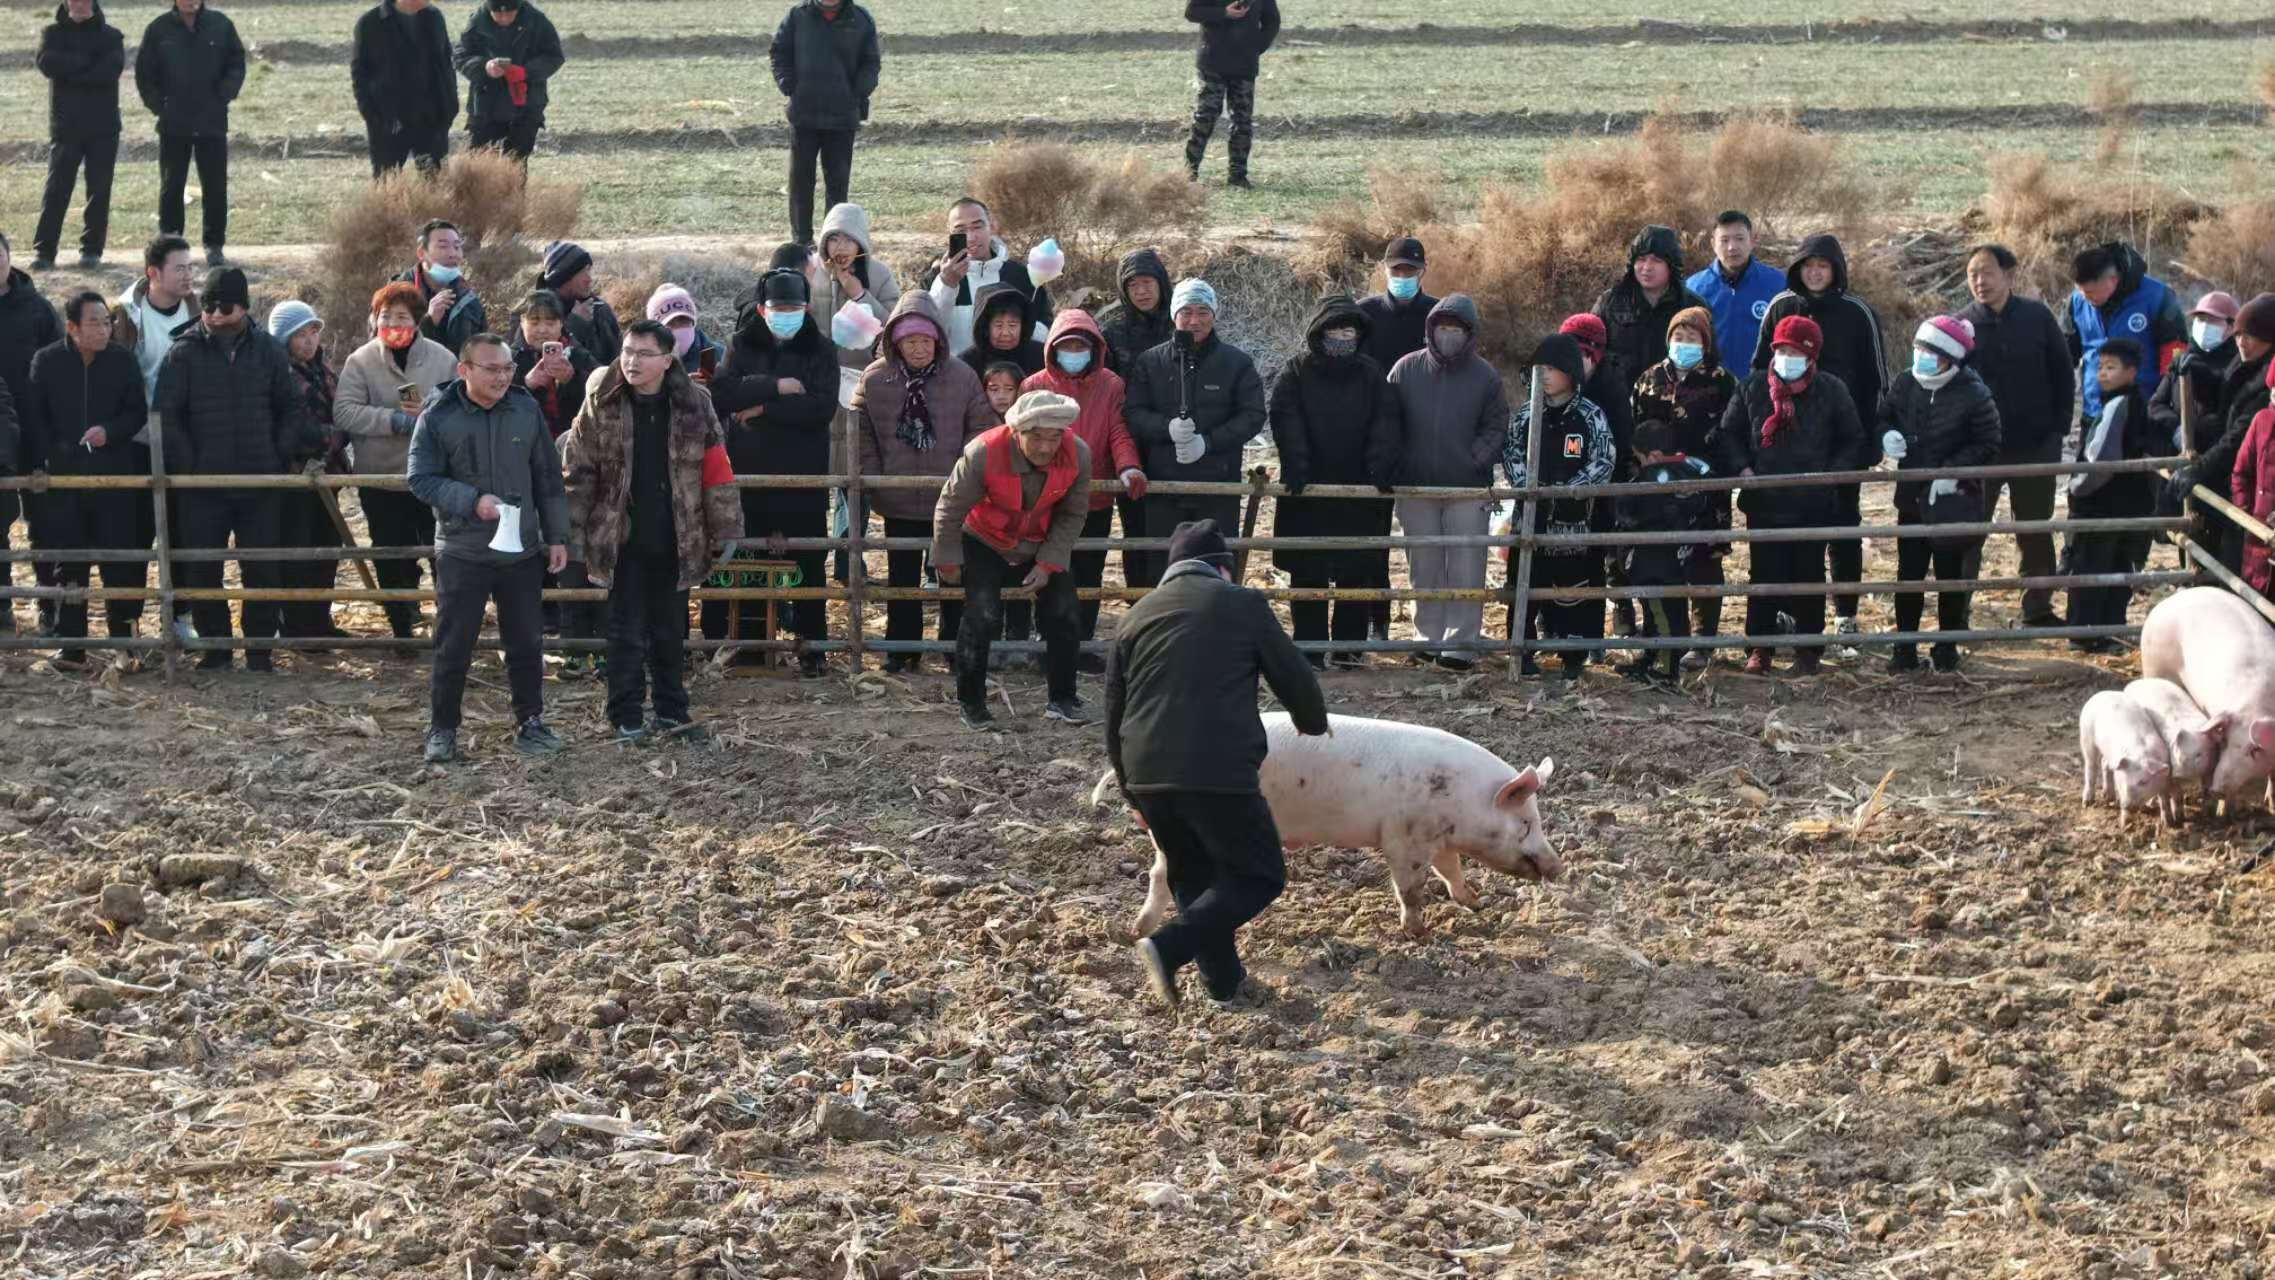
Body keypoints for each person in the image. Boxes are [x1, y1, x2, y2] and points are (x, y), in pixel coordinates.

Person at [1109, 517, 1327, 1009]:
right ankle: (1168, 947)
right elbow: (1293, 676)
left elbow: (1113, 713)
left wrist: (1131, 790)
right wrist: (1312, 723)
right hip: (1216, 765)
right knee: (1259, 874)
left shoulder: (1135, 615)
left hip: (1145, 769)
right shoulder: (1243, 603)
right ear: (1223, 569)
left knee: (1194, 878)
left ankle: (1222, 985)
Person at [561, 319, 743, 740]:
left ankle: (671, 711)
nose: (632, 362)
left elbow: (716, 468)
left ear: (666, 360)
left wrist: (726, 527)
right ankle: (625, 714)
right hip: (619, 534)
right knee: (624, 630)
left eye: (644, 354)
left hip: (678, 533)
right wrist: (571, 531)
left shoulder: (694, 402)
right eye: (627, 351)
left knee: (670, 630)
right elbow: (578, 469)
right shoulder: (601, 399)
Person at [408, 332, 568, 760]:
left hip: (521, 549)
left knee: (526, 640)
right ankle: (443, 729)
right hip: (463, 548)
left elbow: (547, 477)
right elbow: (420, 478)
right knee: (454, 642)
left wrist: (557, 535)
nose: (502, 377)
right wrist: (471, 501)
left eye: (508, 368)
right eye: (491, 369)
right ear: (464, 370)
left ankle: (530, 721)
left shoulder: (525, 409)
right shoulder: (438, 415)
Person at [155, 267, 308, 671]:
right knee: (202, 569)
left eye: (224, 306)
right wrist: (190, 467)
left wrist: (277, 455)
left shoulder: (269, 351)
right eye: (207, 306)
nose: (214, 314)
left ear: (244, 307)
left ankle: (259, 650)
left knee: (262, 569)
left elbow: (291, 408)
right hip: (202, 486)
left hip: (260, 482)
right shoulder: (182, 353)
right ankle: (217, 648)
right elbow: (167, 416)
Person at [1751, 233, 1886, 645]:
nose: (1814, 273)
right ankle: (1788, 612)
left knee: (1843, 528)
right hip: (1788, 441)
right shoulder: (1781, 306)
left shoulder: (1858, 312)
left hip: (1843, 440)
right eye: (1808, 265)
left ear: (1836, 270)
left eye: (1822, 266)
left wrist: (1870, 440)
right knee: (1790, 530)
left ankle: (1846, 613)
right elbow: (1758, 374)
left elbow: (1877, 380)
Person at [1717, 314, 1868, 676]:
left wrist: (1831, 476)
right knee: (1763, 576)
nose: (1787, 358)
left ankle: (1808, 649)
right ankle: (1760, 647)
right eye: (1782, 350)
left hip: (1812, 503)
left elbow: (1852, 439)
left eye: (1796, 352)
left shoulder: (1831, 390)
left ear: (1811, 356)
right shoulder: (1752, 388)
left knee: (1809, 575)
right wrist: (1743, 468)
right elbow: (1728, 433)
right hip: (1764, 501)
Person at [932, 390, 1093, 729]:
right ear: (1017, 432)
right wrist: (947, 559)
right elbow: (950, 506)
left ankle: (1063, 698)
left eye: (1054, 437)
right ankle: (971, 702)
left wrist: (1048, 562)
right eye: (1036, 437)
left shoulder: (1078, 453)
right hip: (984, 538)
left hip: (1039, 542)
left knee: (1064, 611)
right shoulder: (984, 451)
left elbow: (1073, 513)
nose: (1046, 447)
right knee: (983, 613)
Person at [704, 267, 838, 675]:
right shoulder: (741, 343)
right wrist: (777, 386)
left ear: (806, 308)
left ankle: (812, 648)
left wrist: (762, 407)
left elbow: (821, 407)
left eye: (794, 308)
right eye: (779, 309)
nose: (787, 315)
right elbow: (723, 393)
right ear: (763, 310)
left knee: (809, 563)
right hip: (752, 473)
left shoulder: (821, 348)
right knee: (751, 559)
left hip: (803, 475)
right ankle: (751, 645)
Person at [854, 292, 996, 672]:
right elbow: (860, 429)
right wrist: (875, 475)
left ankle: (954, 648)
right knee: (901, 576)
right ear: (896, 343)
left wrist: (965, 477)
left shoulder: (962, 377)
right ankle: (901, 649)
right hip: (896, 496)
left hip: (951, 498)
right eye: (910, 342)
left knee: (952, 574)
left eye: (925, 341)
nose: (919, 349)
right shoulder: (876, 378)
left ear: (938, 340)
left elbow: (980, 429)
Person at [1268, 293, 1398, 668]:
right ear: (1319, 331)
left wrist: (1378, 466)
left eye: (1349, 331)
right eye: (1336, 330)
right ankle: (1308, 649)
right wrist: (1297, 464)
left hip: (1357, 490)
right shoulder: (1296, 371)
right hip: (1307, 489)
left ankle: (1348, 650)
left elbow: (1386, 421)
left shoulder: (1372, 374)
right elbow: (1285, 416)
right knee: (1307, 572)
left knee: (1355, 572)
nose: (1343, 337)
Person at [1956, 243, 2077, 630]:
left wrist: (2057, 429)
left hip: (2035, 445)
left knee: (2034, 529)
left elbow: (2063, 375)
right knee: (1968, 532)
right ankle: (1956, 612)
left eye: (1988, 272)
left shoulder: (2037, 318)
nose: (1980, 281)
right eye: (1973, 274)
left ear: (2009, 276)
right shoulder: (1961, 326)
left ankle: (2037, 610)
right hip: (1979, 451)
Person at [22, 289, 143, 667]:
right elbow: (35, 418)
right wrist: (56, 453)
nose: (104, 330)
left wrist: (110, 431)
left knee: (119, 563)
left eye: (108, 322)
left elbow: (136, 412)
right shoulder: (46, 362)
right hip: (66, 483)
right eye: (94, 323)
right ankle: (72, 644)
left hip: (114, 480)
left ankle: (125, 644)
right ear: (72, 327)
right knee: (69, 564)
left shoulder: (123, 361)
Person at [1122, 278, 1267, 588]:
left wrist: (1209, 442)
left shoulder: (1236, 363)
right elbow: (1133, 412)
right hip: (1163, 486)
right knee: (1162, 567)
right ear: (1174, 315)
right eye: (1186, 312)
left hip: (1217, 486)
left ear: (1214, 315)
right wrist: (1165, 428)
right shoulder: (1151, 361)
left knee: (1215, 567)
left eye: (1203, 312)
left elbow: (1253, 415)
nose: (1194, 321)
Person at [1021, 308, 1145, 670]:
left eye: (1081, 346)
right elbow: (1023, 437)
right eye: (1067, 346)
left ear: (1095, 349)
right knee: (1051, 568)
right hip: (1048, 496)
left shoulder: (1111, 385)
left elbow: (1118, 431)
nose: (1074, 352)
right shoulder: (1034, 385)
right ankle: (1047, 644)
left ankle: (1082, 644)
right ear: (1053, 348)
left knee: (1089, 571)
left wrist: (1128, 466)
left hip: (1095, 496)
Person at [1386, 294, 1505, 665]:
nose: (1448, 334)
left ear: (1470, 333)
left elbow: (1496, 426)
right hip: (1416, 486)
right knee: (1424, 565)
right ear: (1430, 329)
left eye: (1456, 328)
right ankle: (1427, 638)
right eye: (1443, 327)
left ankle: (1461, 644)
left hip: (1467, 488)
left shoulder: (1485, 376)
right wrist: (1398, 462)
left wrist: (1474, 460)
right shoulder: (1405, 369)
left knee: (1467, 566)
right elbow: (1387, 421)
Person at [1879, 315, 2002, 673]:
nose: (1921, 356)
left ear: (1951, 358)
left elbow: (1989, 441)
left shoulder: (1973, 392)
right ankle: (1904, 648)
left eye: (1931, 351)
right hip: (1912, 495)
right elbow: (1884, 416)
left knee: (1950, 574)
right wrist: (1887, 436)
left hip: (1954, 499)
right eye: (1918, 348)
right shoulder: (1905, 383)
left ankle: (1947, 646)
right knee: (1909, 574)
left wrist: (1951, 471)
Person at [335, 281, 457, 641]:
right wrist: (393, 420)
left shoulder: (442, 359)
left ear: (417, 321)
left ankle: (449, 623)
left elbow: (460, 406)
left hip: (433, 476)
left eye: (401, 317)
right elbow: (345, 411)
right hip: (381, 476)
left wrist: (428, 416)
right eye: (385, 316)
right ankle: (401, 625)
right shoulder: (360, 361)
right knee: (390, 552)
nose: (392, 324)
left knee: (441, 551)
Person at [1631, 305, 1739, 665]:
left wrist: (1719, 470)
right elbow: (1635, 426)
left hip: (1706, 486)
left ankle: (1704, 641)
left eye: (1692, 338)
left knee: (1705, 560)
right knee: (1660, 560)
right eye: (1679, 336)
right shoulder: (1649, 378)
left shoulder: (1722, 381)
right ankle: (1664, 638)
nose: (1684, 343)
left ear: (1705, 343)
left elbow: (1732, 430)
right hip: (1658, 486)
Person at [1505, 334, 1615, 679]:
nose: (1546, 375)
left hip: (1573, 522)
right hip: (1530, 518)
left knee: (1573, 588)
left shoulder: (1590, 415)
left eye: (1552, 368)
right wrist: (1528, 487)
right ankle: (1521, 651)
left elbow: (1604, 459)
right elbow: (1511, 454)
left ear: (1571, 372)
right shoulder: (1525, 416)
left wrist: (1570, 491)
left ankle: (1573, 655)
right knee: (1524, 583)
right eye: (1539, 368)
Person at [507, 288, 599, 661]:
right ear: (522, 324)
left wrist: (571, 379)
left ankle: (568, 614)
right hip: (522, 460)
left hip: (571, 462)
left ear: (562, 325)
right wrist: (526, 385)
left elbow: (600, 396)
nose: (542, 329)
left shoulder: (581, 355)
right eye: (534, 321)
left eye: (550, 321)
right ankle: (539, 611)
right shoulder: (508, 359)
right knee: (529, 535)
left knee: (565, 533)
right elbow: (496, 402)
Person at [1354, 235, 1436, 642]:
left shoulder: (1436, 315)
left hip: (1422, 433)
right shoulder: (1364, 314)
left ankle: (1432, 625)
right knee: (1372, 532)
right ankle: (1377, 617)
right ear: (1384, 270)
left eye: (1410, 270)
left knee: (1425, 533)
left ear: (1423, 271)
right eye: (1397, 269)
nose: (1403, 276)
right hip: (1372, 435)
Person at [2168, 293, 2275, 574]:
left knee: (2235, 566)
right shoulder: (2242, 363)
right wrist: (2197, 372)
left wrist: (2200, 468)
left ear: (2269, 338)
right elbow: (2223, 398)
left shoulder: (2268, 383)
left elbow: (2238, 435)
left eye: (2250, 336)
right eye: (2238, 335)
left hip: (2252, 488)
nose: (2241, 342)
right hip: (2230, 478)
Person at [269, 300, 352, 647]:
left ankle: (319, 621)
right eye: (300, 335)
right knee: (297, 551)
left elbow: (344, 412)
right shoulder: (276, 374)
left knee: (327, 548)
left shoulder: (324, 369)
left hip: (328, 473)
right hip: (293, 477)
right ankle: (296, 626)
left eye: (313, 332)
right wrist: (326, 438)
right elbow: (287, 427)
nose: (309, 341)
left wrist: (338, 436)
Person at [134, 0, 242, 267]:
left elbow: (236, 64)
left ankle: (214, 245)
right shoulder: (158, 29)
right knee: (171, 186)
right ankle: (170, 245)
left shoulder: (221, 26)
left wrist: (222, 96)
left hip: (212, 122)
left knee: (215, 186)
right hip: (174, 124)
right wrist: (160, 106)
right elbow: (144, 73)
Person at [2063, 337, 2154, 648]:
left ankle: (2086, 633)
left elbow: (2101, 459)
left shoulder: (2118, 405)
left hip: (2101, 503)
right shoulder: (2130, 402)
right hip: (2125, 502)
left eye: (2111, 367)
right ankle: (2103, 631)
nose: (2102, 373)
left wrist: (2077, 487)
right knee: (2114, 567)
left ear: (2131, 372)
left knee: (2092, 567)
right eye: (2100, 367)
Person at [1615, 419, 1720, 684]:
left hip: (1653, 559)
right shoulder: (1694, 469)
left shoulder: (1651, 478)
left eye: (1641, 458)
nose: (1640, 464)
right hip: (1679, 555)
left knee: (1660, 613)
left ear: (1653, 455)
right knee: (1667, 610)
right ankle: (1654, 656)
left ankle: (1665, 668)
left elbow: (1629, 511)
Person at [769, 0, 881, 248]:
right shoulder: (797, 16)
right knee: (801, 182)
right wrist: (789, 85)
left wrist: (857, 93)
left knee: (837, 185)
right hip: (804, 115)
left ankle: (832, 239)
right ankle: (802, 240)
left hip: (843, 116)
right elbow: (779, 53)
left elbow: (871, 63)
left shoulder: (859, 19)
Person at [0, 237, 64, 637]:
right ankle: (2, 604)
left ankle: (49, 604)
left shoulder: (37, 309)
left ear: (9, 257)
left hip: (37, 430)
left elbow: (59, 366)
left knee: (45, 522)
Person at [33, 0, 124, 272]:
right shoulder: (52, 34)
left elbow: (110, 71)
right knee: (56, 190)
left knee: (99, 191)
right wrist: (85, 61)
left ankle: (91, 251)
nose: (79, 3)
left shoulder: (111, 36)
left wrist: (69, 69)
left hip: (103, 128)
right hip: (66, 128)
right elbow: (46, 63)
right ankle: (45, 251)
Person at [2063, 242, 2186, 423]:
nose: (2085, 298)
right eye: (2080, 292)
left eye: (2089, 293)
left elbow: (2175, 350)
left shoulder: (2157, 296)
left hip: (2144, 412)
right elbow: (2066, 351)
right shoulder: (2076, 302)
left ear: (2112, 281)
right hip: (2094, 412)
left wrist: (2166, 400)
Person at [922, 198, 1052, 357]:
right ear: (949, 231)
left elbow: (1045, 330)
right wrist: (947, 284)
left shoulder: (1022, 276)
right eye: (960, 230)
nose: (971, 237)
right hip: (956, 369)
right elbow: (925, 330)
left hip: (1011, 370)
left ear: (991, 225)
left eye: (977, 227)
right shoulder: (936, 279)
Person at [1593, 224, 1711, 398]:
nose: (1647, 267)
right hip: (1617, 400)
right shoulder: (1610, 302)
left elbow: (1709, 357)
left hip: (1674, 402)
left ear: (1671, 265)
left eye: (1656, 260)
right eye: (1641, 259)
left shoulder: (1691, 305)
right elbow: (1589, 351)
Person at [351, 0, 456, 177]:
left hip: (430, 118)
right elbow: (359, 75)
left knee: (437, 182)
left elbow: (445, 64)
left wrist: (449, 108)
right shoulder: (370, 23)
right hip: (389, 120)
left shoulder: (434, 18)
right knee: (387, 182)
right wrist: (373, 116)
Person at [1182, 0, 1279, 188]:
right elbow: (1192, 12)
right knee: (1206, 116)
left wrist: (1256, 47)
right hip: (1212, 60)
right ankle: (1188, 173)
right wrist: (1224, 13)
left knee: (1242, 120)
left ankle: (1238, 176)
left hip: (1244, 63)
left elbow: (1272, 20)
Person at [453, 0, 563, 161]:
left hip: (526, 105)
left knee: (516, 164)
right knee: (481, 162)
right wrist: (484, 67)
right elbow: (460, 56)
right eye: (498, 14)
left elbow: (554, 56)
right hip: (485, 106)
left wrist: (526, 72)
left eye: (509, 13)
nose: (504, 18)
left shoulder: (536, 21)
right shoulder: (477, 21)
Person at [1686, 211, 1784, 375]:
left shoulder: (1777, 284)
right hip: (1710, 383)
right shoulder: (1694, 287)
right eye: (1724, 240)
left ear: (1752, 241)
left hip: (1760, 383)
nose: (1732, 247)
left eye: (1740, 239)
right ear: (1713, 244)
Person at [2148, 291, 2239, 456]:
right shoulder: (2182, 360)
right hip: (2174, 453)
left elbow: (2228, 413)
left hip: (2215, 456)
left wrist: (2195, 433)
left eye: (2212, 320)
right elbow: (2156, 404)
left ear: (2231, 327)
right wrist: (2177, 429)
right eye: (2200, 319)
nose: (2204, 326)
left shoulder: (2237, 364)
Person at [391, 220, 485, 356]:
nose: (452, 254)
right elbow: (386, 351)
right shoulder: (396, 294)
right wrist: (428, 322)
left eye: (457, 247)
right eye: (443, 247)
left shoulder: (468, 299)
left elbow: (480, 353)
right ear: (421, 253)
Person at [534, 240, 620, 365]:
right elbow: (530, 364)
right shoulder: (532, 314)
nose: (589, 279)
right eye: (581, 272)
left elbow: (618, 360)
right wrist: (576, 324)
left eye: (589, 270)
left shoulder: (600, 309)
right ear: (563, 277)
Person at [2230, 361, 2275, 596]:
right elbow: (2241, 473)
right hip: (2260, 532)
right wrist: (2246, 515)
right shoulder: (2262, 421)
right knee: (2258, 599)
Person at [1097, 247, 1174, 374]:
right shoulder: (1111, 335)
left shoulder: (1181, 326)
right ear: (1124, 290)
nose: (1141, 291)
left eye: (1147, 282)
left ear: (1161, 283)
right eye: (1133, 285)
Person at [957, 284, 1046, 380]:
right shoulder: (967, 363)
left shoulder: (1041, 356)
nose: (1005, 333)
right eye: (998, 325)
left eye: (1012, 325)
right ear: (986, 328)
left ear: (1023, 326)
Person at [647, 284, 727, 383]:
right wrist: (683, 387)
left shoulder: (720, 355)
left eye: (683, 320)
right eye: (670, 323)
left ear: (693, 322)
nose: (678, 327)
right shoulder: (644, 360)